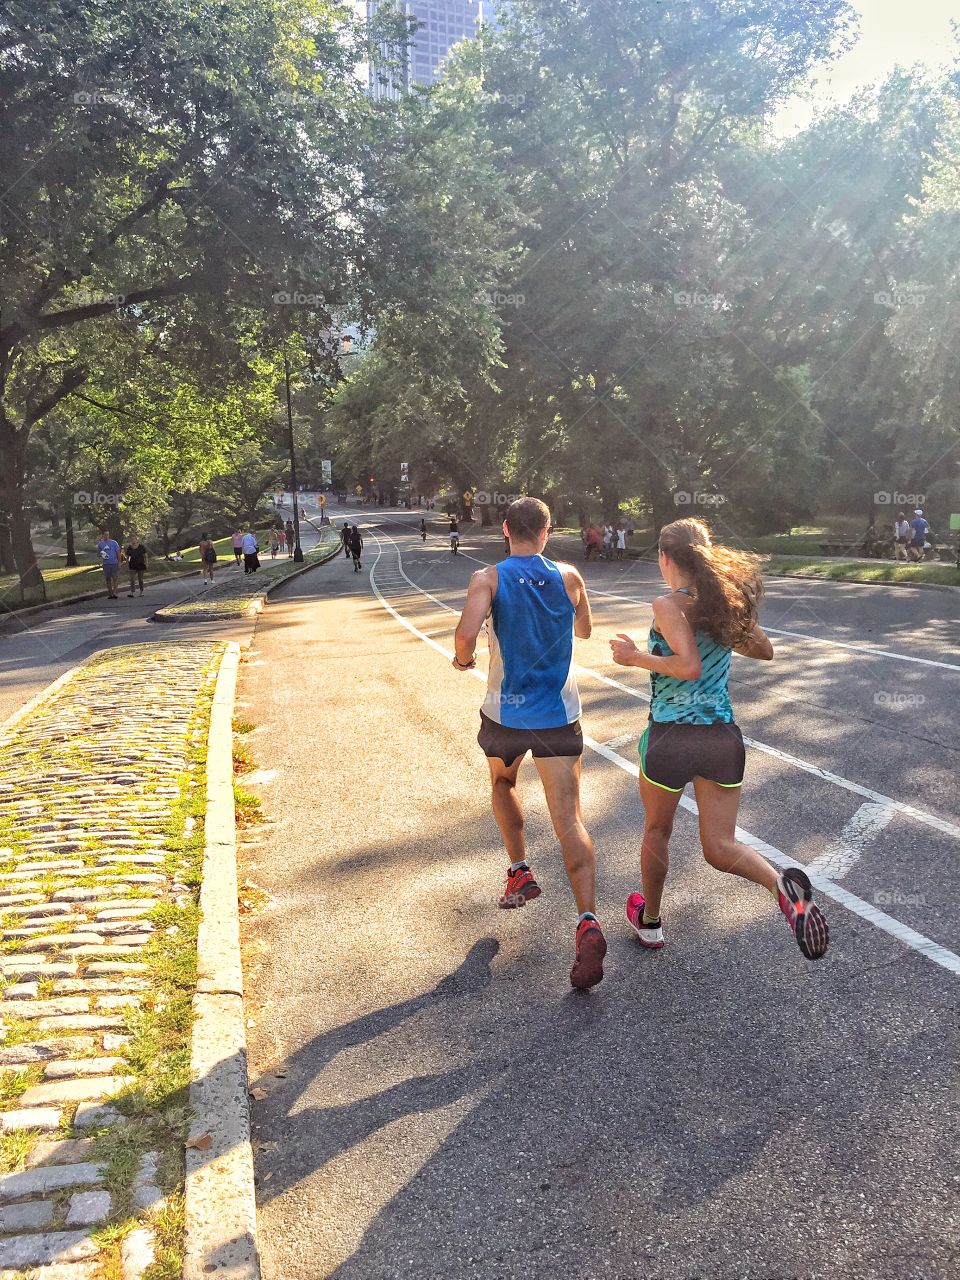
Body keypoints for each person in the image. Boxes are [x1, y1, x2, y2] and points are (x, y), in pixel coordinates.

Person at [609, 517, 829, 961]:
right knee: (720, 846)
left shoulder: (668, 604)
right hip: (720, 737)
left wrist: (635, 657)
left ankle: (650, 923)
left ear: (666, 558)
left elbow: (687, 666)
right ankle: (780, 888)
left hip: (671, 735)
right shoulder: (722, 605)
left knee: (656, 831)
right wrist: (727, 628)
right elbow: (765, 650)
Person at [452, 496, 605, 990]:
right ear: (547, 531)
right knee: (569, 816)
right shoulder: (569, 577)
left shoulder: (488, 579)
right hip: (559, 714)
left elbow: (465, 635)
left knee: (502, 782)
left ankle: (518, 869)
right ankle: (587, 921)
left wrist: (464, 660)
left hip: (505, 712)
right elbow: (584, 629)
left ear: (504, 529)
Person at [96, 528, 121, 599]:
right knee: (108, 578)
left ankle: (115, 592)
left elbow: (118, 552)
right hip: (106, 564)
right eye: (105, 535)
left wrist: (119, 561)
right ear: (102, 535)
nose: (106, 536)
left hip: (114, 563)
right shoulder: (100, 544)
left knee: (115, 578)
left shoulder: (114, 542)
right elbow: (98, 554)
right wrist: (101, 553)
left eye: (108, 534)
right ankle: (110, 593)